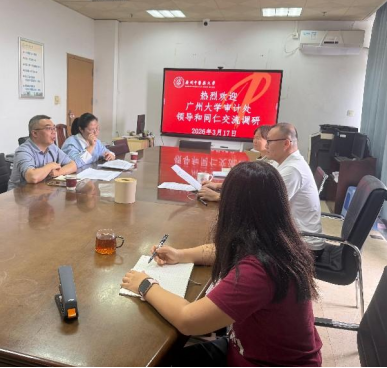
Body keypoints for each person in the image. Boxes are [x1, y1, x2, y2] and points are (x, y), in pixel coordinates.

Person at [121, 162, 322, 367]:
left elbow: (188, 320)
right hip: (246, 349)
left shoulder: (259, 271)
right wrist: (180, 254)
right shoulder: (277, 240)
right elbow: (221, 250)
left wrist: (145, 284)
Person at [266, 123, 325, 257]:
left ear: (286, 143)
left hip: (304, 245)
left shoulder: (293, 170)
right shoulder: (285, 163)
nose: (266, 145)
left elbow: (266, 207)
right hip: (295, 237)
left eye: (269, 141)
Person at [198, 125, 274, 202]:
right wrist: (217, 185)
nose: (254, 141)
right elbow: (245, 184)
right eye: (254, 138)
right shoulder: (263, 159)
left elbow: (253, 193)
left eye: (258, 138)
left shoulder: (271, 165)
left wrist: (218, 196)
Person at [8, 115, 77, 190]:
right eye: (49, 128)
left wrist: (58, 173)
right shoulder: (23, 151)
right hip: (20, 194)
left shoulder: (52, 147)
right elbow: (32, 177)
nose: (54, 132)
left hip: (42, 190)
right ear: (35, 133)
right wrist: (50, 166)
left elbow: (73, 165)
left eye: (54, 128)